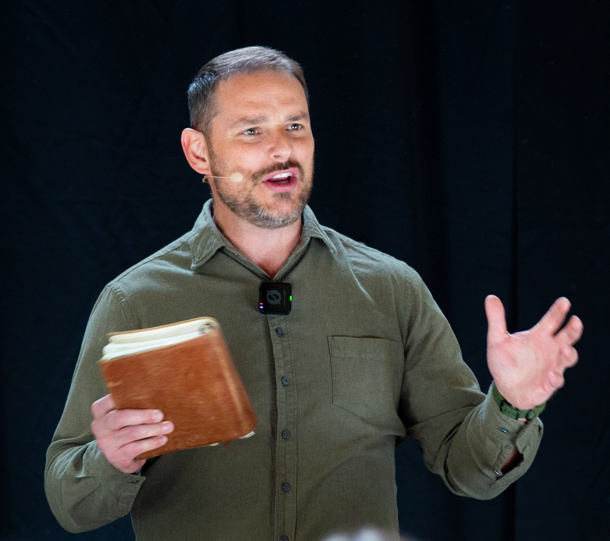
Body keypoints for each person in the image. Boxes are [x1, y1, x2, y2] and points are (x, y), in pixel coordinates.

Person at [45, 46, 583, 541]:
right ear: (199, 152)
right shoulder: (135, 300)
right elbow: (70, 503)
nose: (282, 149)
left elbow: (470, 471)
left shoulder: (392, 289)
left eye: (295, 126)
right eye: (251, 131)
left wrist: (512, 403)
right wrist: (111, 459)